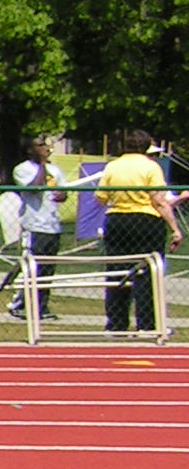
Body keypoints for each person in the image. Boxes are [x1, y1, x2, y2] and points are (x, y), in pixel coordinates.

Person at [95, 130, 178, 332]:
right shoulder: (151, 167)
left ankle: (116, 323)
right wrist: (175, 228)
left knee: (116, 271)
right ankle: (147, 324)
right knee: (148, 272)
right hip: (145, 220)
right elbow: (158, 200)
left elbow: (101, 197)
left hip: (117, 220)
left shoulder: (112, 166)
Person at [1, 140, 63, 320]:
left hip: (53, 226)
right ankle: (19, 304)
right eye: (40, 145)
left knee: (47, 271)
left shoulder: (55, 170)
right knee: (31, 268)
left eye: (46, 145)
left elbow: (62, 192)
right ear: (30, 150)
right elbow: (35, 188)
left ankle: (41, 307)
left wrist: (62, 195)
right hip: (34, 226)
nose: (46, 148)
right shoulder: (22, 169)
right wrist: (42, 164)